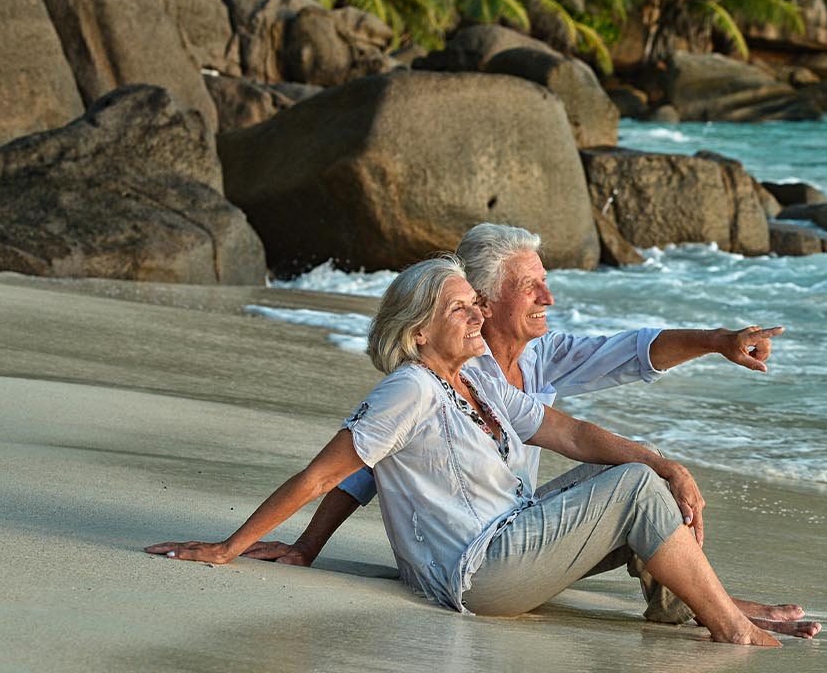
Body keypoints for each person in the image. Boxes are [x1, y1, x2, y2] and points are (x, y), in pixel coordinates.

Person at [148, 256, 793, 646]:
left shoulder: (473, 384)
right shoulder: (409, 388)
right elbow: (327, 475)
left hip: (507, 548)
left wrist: (664, 462)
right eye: (462, 309)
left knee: (631, 475)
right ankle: (731, 627)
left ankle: (702, 604)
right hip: (477, 572)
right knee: (633, 490)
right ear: (420, 329)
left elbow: (569, 435)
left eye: (474, 306)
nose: (476, 317)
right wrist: (231, 547)